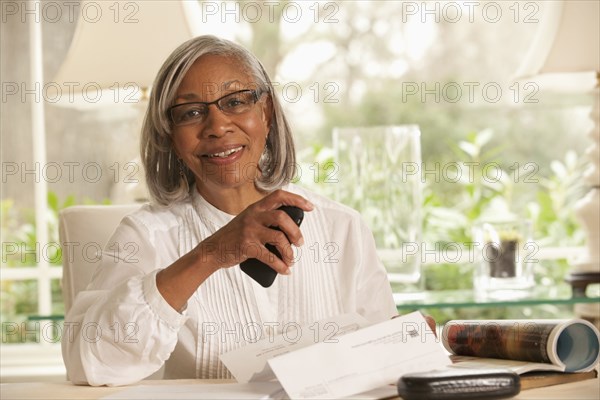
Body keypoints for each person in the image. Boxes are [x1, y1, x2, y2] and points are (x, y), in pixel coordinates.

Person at [62, 35, 397, 386]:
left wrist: (403, 346)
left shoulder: (342, 227)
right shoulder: (145, 236)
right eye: (191, 112)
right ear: (170, 137)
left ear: (265, 113)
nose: (218, 126)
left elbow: (383, 362)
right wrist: (212, 253)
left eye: (235, 102)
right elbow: (91, 364)